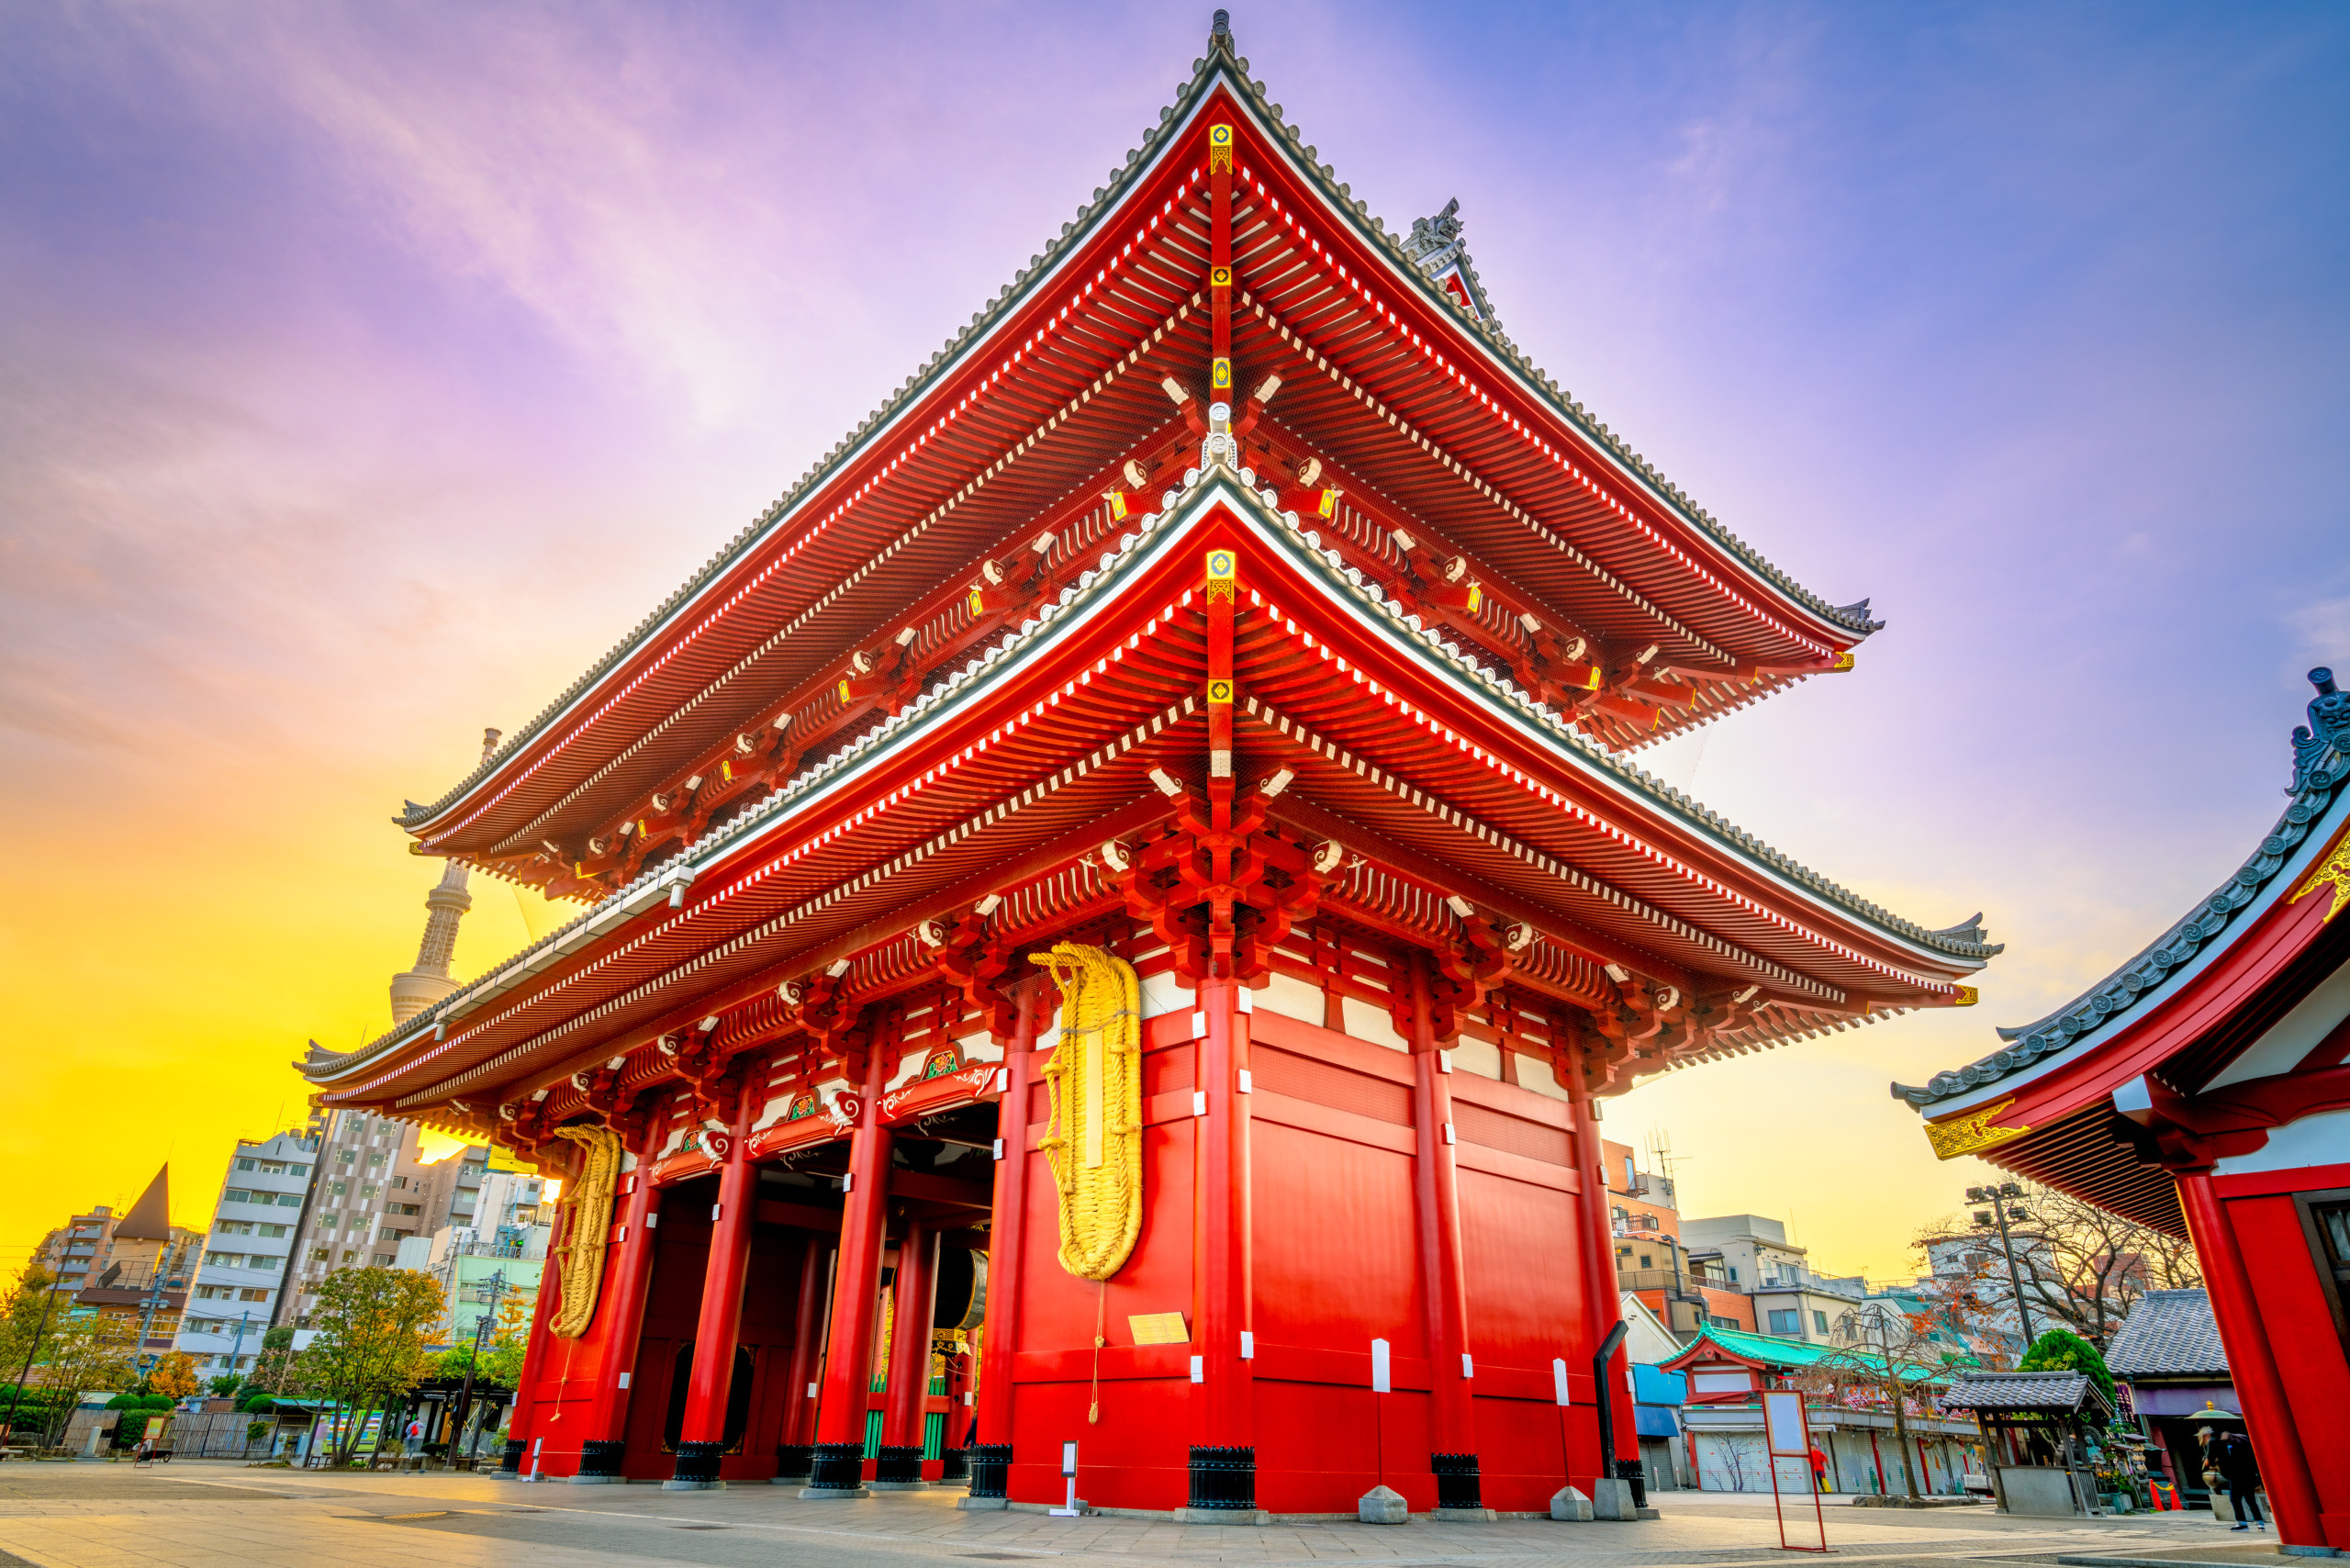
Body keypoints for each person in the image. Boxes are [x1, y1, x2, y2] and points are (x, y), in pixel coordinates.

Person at [2216, 1429, 2265, 1531]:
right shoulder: (2246, 1446)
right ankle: (2260, 1523)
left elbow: (2225, 1462)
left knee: (2235, 1499)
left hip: (2236, 1476)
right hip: (2249, 1475)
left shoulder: (2230, 1447)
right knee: (2251, 1500)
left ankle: (2242, 1523)